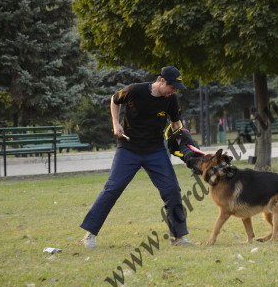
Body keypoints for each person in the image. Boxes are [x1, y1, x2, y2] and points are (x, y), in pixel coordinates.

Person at [80, 66, 194, 248]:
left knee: (172, 190)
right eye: (172, 87)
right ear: (162, 81)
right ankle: (90, 234)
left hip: (155, 150)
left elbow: (175, 123)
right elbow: (114, 100)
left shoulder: (171, 99)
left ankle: (179, 237)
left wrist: (182, 140)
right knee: (113, 188)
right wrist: (116, 123)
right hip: (129, 148)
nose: (174, 91)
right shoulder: (135, 90)